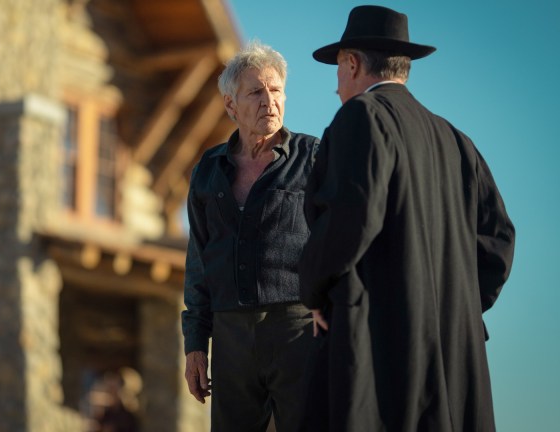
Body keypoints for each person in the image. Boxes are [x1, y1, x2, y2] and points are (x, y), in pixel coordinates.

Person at [298, 5, 516, 432]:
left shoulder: (361, 117)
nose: (336, 87)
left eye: (338, 71)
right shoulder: (457, 141)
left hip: (381, 354)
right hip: (456, 359)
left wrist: (315, 293)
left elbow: (349, 220)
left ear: (352, 63)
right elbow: (499, 240)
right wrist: (460, 307)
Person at [182, 40, 320, 431]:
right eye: (256, 92)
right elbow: (199, 261)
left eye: (275, 90)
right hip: (231, 335)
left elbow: (339, 241)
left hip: (297, 327)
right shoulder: (208, 170)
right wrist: (196, 341)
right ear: (230, 106)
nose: (269, 101)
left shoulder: (314, 158)